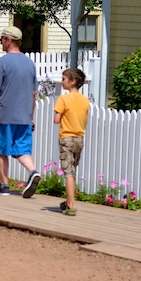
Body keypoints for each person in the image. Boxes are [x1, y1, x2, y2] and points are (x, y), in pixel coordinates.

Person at [0, 25, 42, 197]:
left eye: (2, 39)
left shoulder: (2, 62)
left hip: (5, 114)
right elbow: (34, 93)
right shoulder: (29, 63)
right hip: (24, 116)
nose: (0, 42)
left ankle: (4, 186)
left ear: (9, 40)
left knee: (3, 150)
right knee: (22, 150)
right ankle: (33, 171)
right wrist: (31, 116)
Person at [54, 68, 90, 216]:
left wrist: (61, 117)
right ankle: (68, 201)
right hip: (79, 138)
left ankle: (72, 205)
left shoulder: (63, 99)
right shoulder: (84, 100)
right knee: (73, 170)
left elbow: (56, 120)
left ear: (72, 81)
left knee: (68, 172)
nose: (62, 82)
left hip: (66, 138)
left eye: (64, 79)